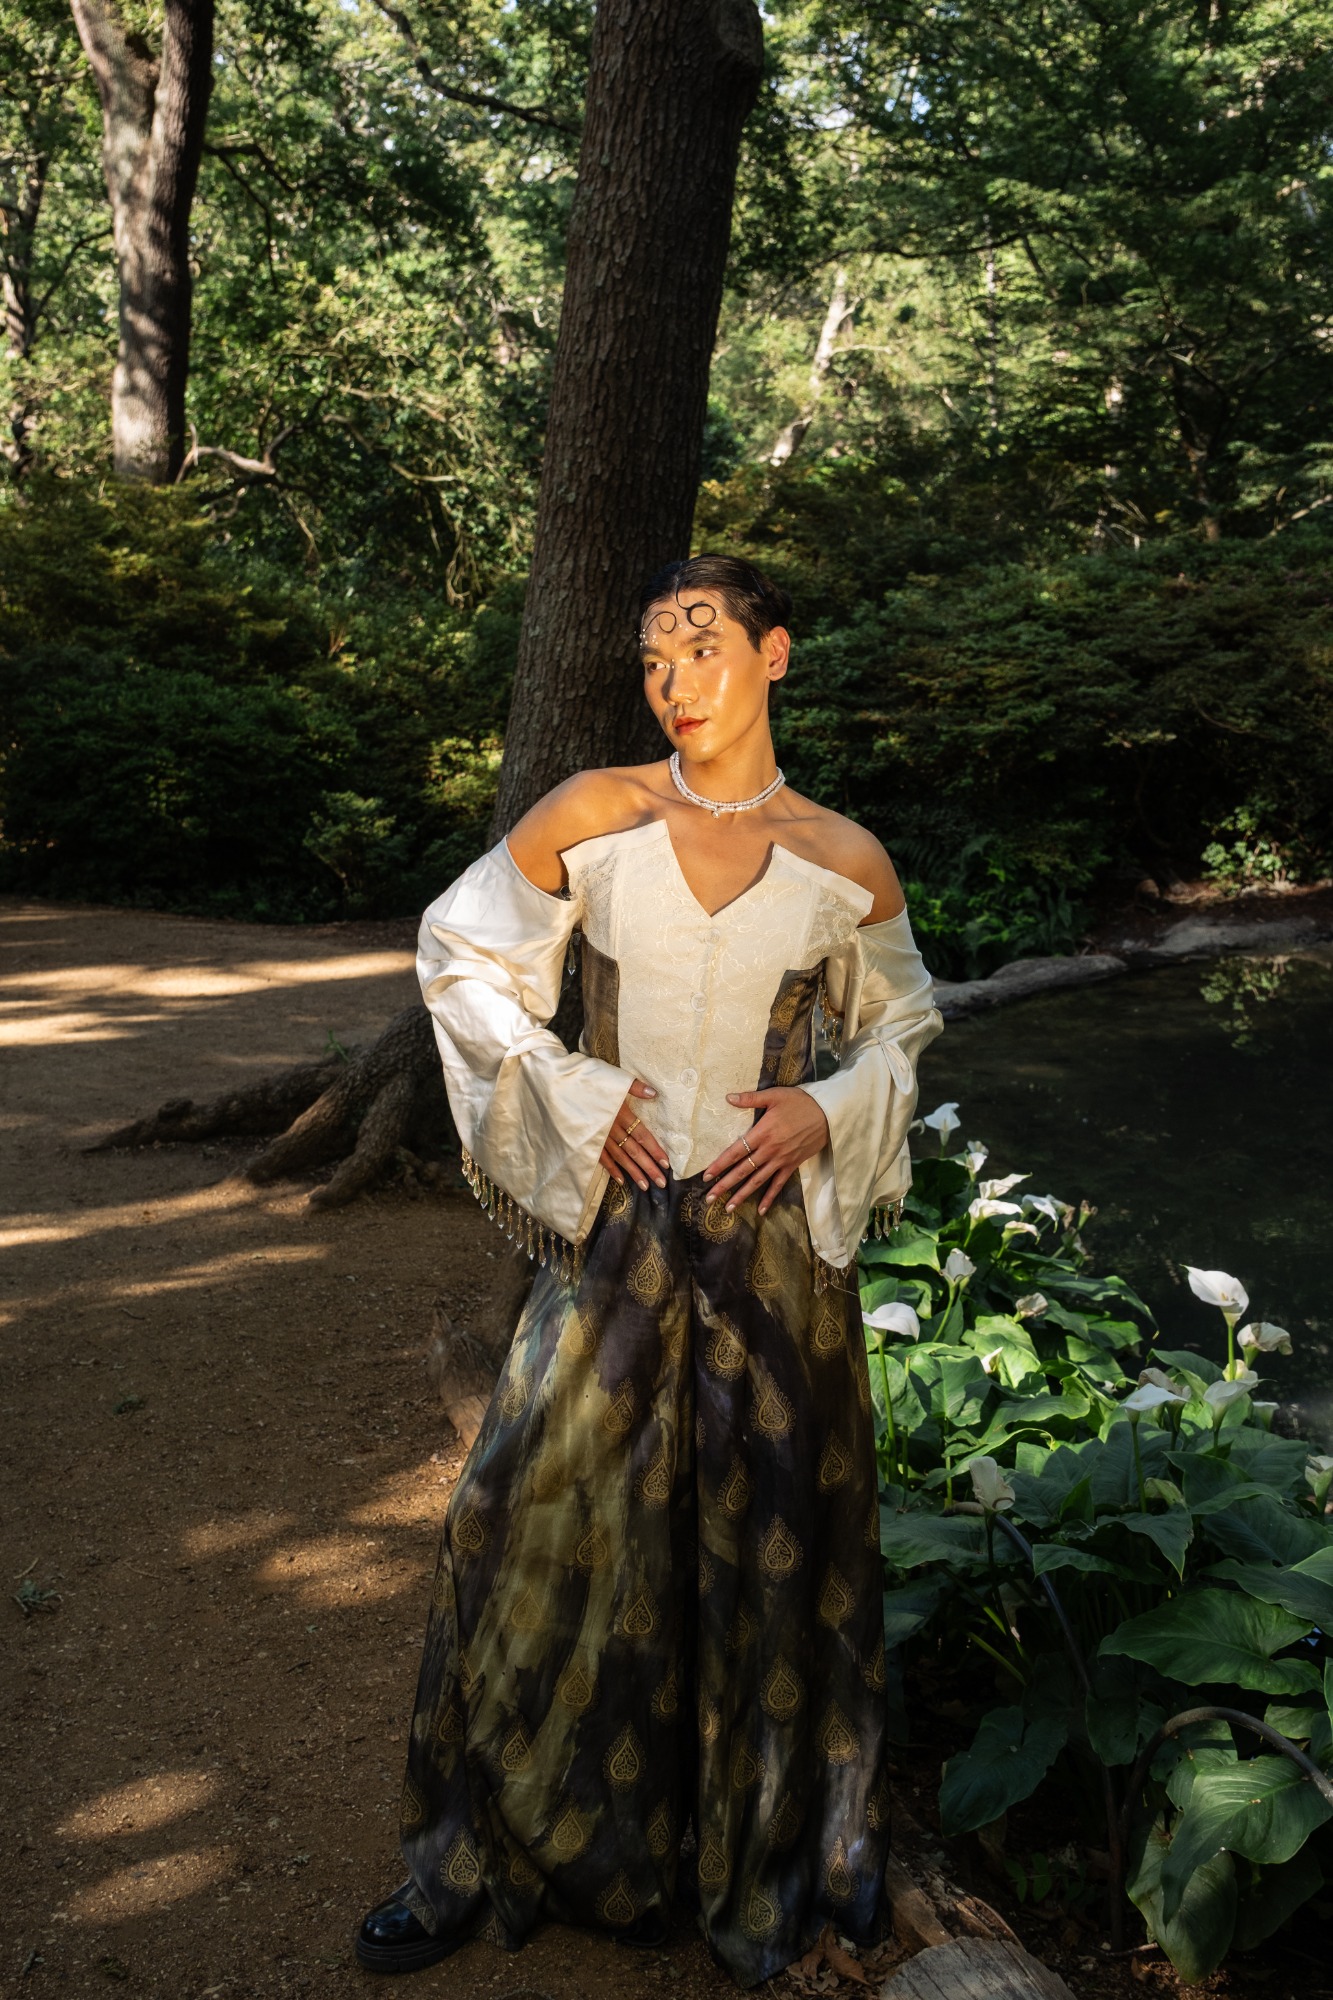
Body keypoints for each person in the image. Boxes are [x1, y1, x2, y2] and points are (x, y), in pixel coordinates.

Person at [355, 554, 942, 1984]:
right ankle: (488, 1850)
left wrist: (826, 1108)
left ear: (774, 656)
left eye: (703, 647)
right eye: (653, 658)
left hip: (772, 1255)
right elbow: (458, 955)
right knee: (528, 1512)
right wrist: (568, 1090)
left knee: (768, 1532)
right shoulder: (596, 812)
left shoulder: (844, 859)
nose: (674, 680)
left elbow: (902, 1028)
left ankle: (771, 1852)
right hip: (618, 1238)